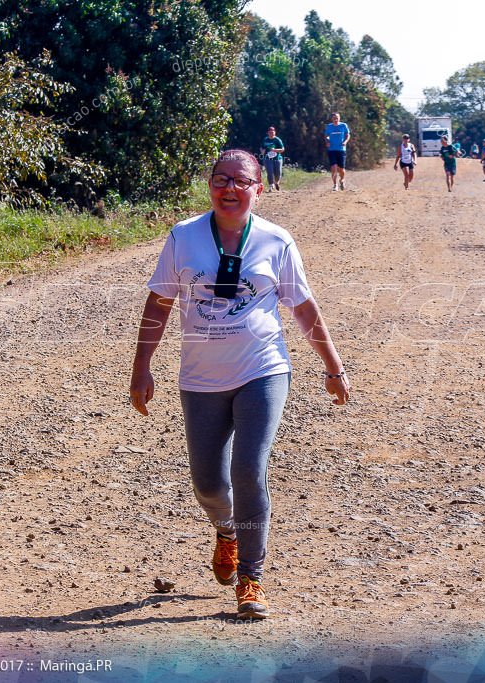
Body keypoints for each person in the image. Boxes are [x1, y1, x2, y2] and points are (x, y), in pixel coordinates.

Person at [129, 149, 350, 620]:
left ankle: (251, 578)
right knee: (209, 484)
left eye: (241, 180)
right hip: (200, 378)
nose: (229, 188)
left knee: (249, 469)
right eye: (220, 179)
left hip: (262, 370)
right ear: (210, 185)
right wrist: (141, 367)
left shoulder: (276, 240)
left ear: (258, 187)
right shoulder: (184, 237)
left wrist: (333, 366)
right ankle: (227, 530)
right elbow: (159, 304)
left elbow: (304, 309)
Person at [324, 112, 351, 191]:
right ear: (332, 119)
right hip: (332, 150)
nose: (335, 119)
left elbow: (348, 135)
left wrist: (345, 142)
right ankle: (335, 185)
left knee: (341, 169)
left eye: (337, 118)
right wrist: (327, 142)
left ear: (339, 118)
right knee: (333, 167)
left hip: (341, 149)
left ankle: (342, 180)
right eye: (334, 118)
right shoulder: (329, 127)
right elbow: (326, 135)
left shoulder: (343, 125)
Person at [260, 127, 285, 191]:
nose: (271, 133)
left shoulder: (277, 140)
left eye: (273, 132)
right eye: (270, 132)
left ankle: (276, 182)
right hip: (267, 158)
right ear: (268, 133)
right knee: (270, 172)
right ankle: (271, 186)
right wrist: (262, 151)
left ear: (275, 132)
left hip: (277, 158)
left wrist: (275, 150)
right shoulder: (265, 139)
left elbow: (282, 149)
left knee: (278, 172)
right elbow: (261, 147)